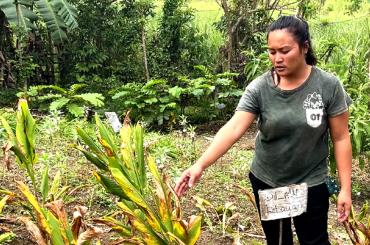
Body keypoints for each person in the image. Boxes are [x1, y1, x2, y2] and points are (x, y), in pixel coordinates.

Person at [174, 15, 352, 245]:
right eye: (272, 51)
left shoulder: (328, 86)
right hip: (269, 181)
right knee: (278, 241)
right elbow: (234, 127)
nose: (277, 58)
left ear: (304, 47)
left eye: (284, 51)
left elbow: (341, 138)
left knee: (315, 241)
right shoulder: (260, 88)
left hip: (312, 181)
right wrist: (200, 164)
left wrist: (345, 189)